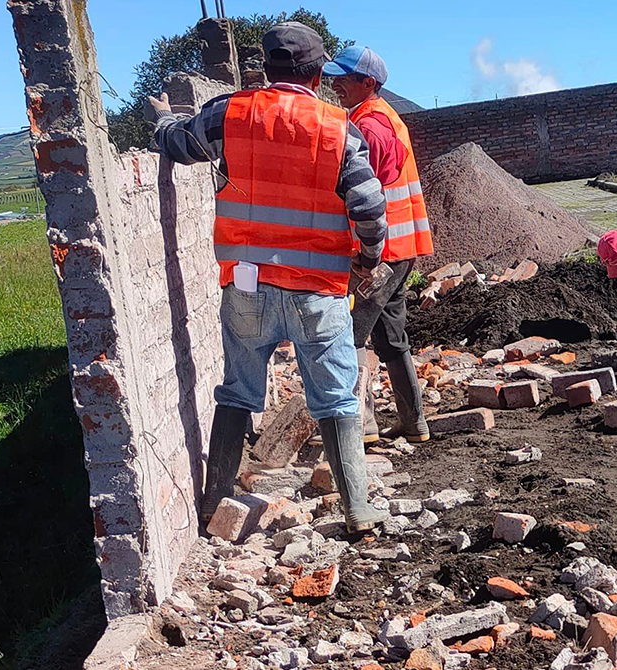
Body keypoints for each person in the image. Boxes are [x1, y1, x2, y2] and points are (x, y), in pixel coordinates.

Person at [147, 22, 390, 533]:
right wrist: (367, 260)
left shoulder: (231, 112)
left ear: (266, 67)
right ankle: (358, 508)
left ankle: (216, 500)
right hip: (318, 290)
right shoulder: (336, 127)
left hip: (247, 286)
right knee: (336, 396)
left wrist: (164, 119)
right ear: (319, 72)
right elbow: (369, 206)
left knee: (237, 389)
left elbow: (179, 143)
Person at [323, 45, 434, 445]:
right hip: (398, 251)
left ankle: (361, 426)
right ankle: (413, 421)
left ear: (367, 83)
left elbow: (370, 192)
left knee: (348, 334)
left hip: (378, 255)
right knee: (391, 336)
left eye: (343, 79)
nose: (335, 85)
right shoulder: (380, 118)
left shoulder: (370, 127)